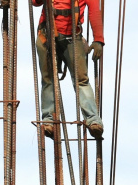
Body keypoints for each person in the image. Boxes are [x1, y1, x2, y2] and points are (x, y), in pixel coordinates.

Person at [33, 0, 104, 138]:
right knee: (48, 80)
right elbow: (35, 3)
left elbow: (95, 10)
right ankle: (49, 120)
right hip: (46, 35)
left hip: (72, 38)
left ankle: (93, 120)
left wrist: (98, 40)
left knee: (81, 80)